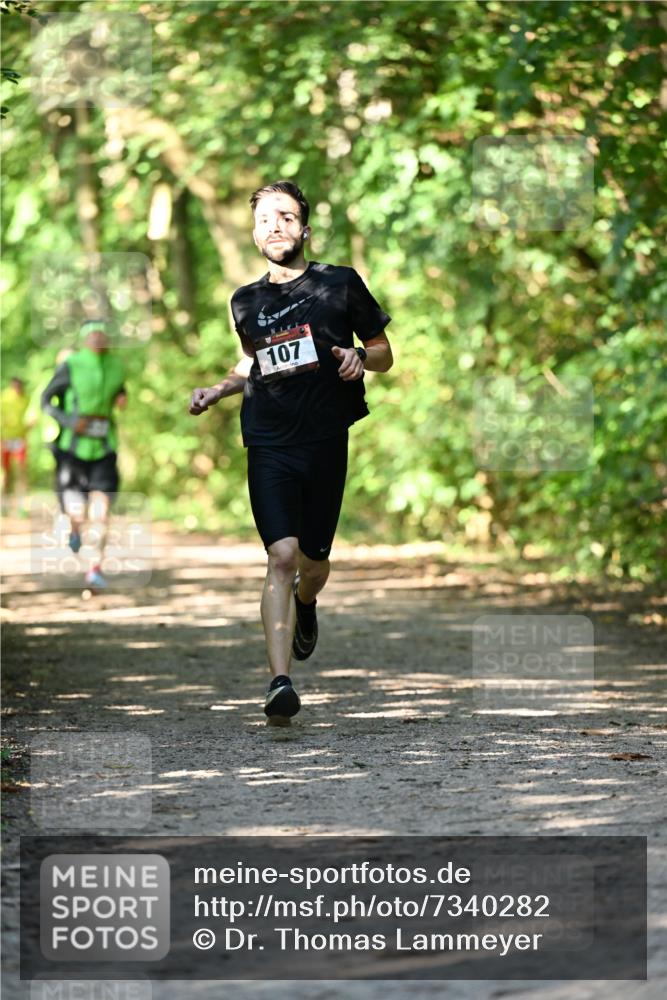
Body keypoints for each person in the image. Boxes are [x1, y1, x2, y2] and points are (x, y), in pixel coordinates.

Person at [189, 181, 393, 723]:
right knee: (281, 556)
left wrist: (358, 358)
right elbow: (252, 362)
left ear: (304, 228)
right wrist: (217, 390)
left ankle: (308, 602)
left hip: (326, 437)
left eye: (285, 217)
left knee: (314, 561)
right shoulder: (246, 301)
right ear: (255, 235)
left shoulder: (340, 283)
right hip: (268, 438)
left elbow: (383, 352)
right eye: (263, 220)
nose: (273, 226)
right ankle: (280, 683)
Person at [40, 320, 127, 589]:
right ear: (84, 339)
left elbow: (119, 390)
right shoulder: (71, 364)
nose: (99, 338)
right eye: (93, 334)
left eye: (103, 333)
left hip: (104, 447)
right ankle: (75, 529)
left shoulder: (116, 364)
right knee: (78, 514)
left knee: (101, 512)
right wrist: (68, 421)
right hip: (72, 450)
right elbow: (46, 400)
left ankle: (94, 569)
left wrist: (123, 397)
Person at [1, 376, 31, 515]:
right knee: (5, 474)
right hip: (6, 439)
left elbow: (31, 417)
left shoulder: (26, 399)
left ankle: (21, 507)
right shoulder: (4, 398)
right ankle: (3, 505)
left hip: (20, 439)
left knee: (21, 473)